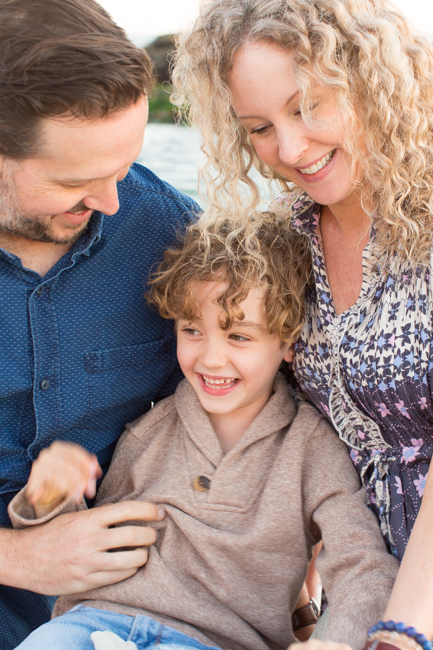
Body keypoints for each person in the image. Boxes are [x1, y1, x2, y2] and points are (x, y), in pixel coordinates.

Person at [8, 214, 397, 650]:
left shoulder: (312, 449)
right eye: (192, 330)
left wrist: (340, 642)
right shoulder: (151, 428)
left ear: (289, 341)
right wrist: (50, 497)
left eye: (239, 337)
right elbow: (91, 545)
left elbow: (361, 567)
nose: (211, 358)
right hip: (95, 624)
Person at [172, 0, 433, 644]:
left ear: (372, 79)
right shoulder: (290, 240)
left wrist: (404, 629)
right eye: (258, 127)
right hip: (355, 590)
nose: (289, 149)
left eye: (308, 105)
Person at [0, 0, 199, 647]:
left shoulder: (170, 233)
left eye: (122, 166)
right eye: (79, 180)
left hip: (120, 619)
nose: (112, 201)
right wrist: (18, 558)